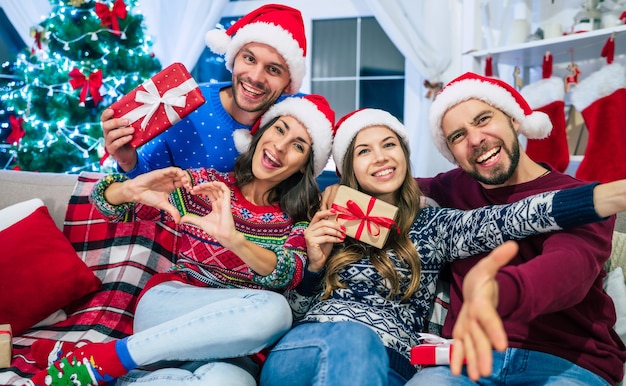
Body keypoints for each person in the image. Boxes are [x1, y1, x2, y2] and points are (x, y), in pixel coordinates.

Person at [258, 108, 626, 386]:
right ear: (347, 168)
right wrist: (315, 268)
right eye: (364, 151)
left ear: (404, 154)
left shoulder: (436, 226)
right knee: (353, 339)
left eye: (389, 145)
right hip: (307, 347)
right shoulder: (325, 219)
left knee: (361, 347)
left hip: (390, 365)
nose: (382, 157)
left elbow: (514, 217)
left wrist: (600, 197)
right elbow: (294, 310)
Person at [28, 94, 336, 386]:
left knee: (233, 381)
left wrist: (233, 240)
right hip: (169, 308)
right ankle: (111, 357)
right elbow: (108, 206)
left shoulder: (299, 218)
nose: (280, 147)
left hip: (233, 344)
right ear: (259, 134)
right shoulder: (206, 184)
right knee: (275, 310)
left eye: (298, 146)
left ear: (305, 165)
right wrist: (127, 190)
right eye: (279, 129)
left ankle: (108, 372)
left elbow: (289, 271)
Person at [407, 72, 626, 385]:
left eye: (484, 119)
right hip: (465, 360)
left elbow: (569, 268)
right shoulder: (452, 188)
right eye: (458, 136)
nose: (475, 139)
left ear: (514, 119)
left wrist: (499, 291)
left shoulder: (580, 198)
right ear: (451, 152)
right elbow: (395, 185)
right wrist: (343, 189)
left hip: (566, 362)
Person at [101, 3, 308, 177]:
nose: (255, 77)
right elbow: (147, 178)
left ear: (289, 84)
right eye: (249, 59)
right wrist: (128, 161)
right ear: (234, 59)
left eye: (273, 69)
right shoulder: (184, 104)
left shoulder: (300, 116)